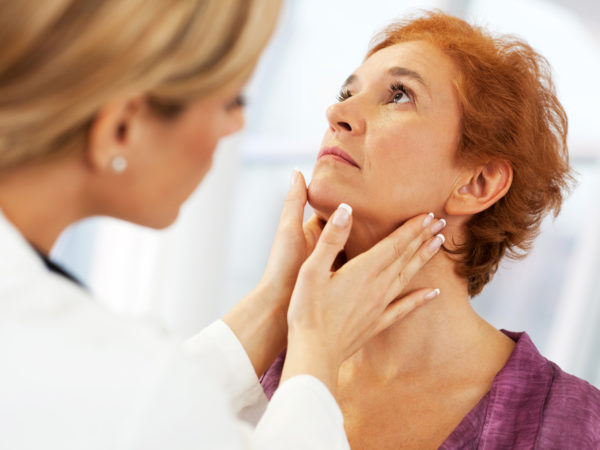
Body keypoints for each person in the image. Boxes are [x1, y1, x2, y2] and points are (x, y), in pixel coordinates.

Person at [0, 1, 448, 449]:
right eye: (232, 99)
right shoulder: (109, 372)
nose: (236, 125)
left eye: (398, 96)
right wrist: (318, 348)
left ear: (481, 182)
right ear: (120, 126)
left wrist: (279, 304)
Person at [260, 10, 600, 449]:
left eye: (399, 95)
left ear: (478, 184)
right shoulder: (257, 375)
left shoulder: (570, 427)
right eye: (347, 91)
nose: (336, 111)